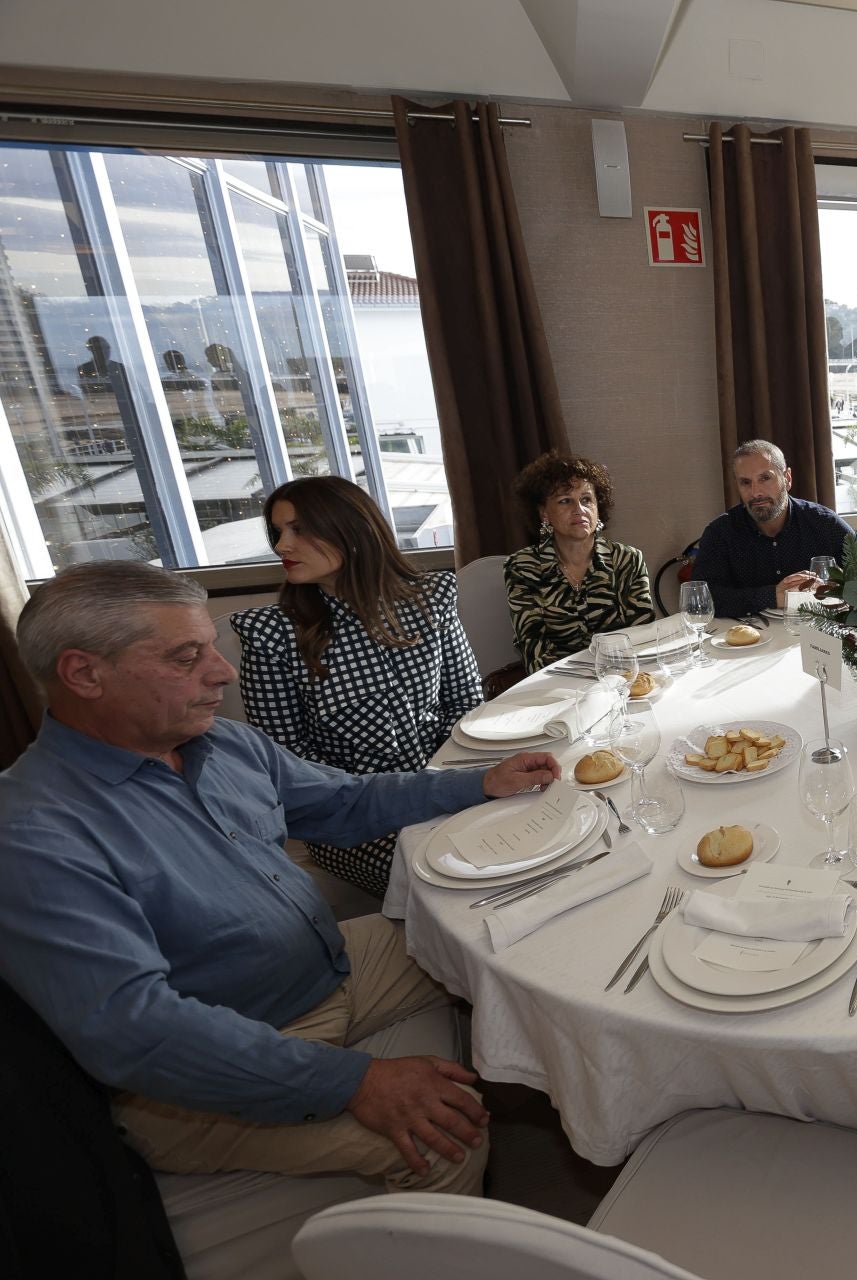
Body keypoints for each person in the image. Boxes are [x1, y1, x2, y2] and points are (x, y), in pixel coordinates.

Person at [0, 562, 561, 1198]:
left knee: (512, 928)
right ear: (83, 674)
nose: (223, 671)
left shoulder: (222, 743)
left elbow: (344, 802)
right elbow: (134, 1030)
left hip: (327, 962)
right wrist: (355, 1081)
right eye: (188, 657)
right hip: (209, 1069)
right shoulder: (33, 834)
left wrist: (477, 783)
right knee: (444, 1147)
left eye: (211, 646)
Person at [228, 477, 483, 896]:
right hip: (356, 815)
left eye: (298, 530)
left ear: (353, 530)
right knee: (455, 875)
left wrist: (454, 781)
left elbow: (466, 704)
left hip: (448, 779)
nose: (281, 547)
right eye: (278, 532)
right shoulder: (272, 635)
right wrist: (398, 801)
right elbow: (290, 768)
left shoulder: (430, 599)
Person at [690, 439, 857, 617]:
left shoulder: (823, 522)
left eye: (765, 478)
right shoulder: (720, 533)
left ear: (787, 478)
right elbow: (699, 600)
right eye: (745, 483)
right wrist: (772, 596)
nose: (756, 492)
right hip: (748, 648)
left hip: (818, 640)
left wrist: (840, 585)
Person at [504, 452, 655, 672]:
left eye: (586, 500)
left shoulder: (628, 560)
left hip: (623, 678)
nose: (579, 510)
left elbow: (643, 638)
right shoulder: (523, 567)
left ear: (598, 508)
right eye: (566, 501)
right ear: (544, 513)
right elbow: (533, 650)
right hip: (558, 685)